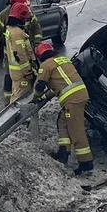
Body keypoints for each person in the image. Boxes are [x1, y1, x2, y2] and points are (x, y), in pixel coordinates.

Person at [33, 41, 94, 173]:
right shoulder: (63, 60)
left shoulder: (45, 65)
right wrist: (47, 96)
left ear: (40, 55)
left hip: (72, 101)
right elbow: (60, 84)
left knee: (76, 129)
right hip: (80, 94)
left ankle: (85, 162)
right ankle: (63, 151)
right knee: (62, 121)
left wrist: (37, 97)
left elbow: (40, 86)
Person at [0, 0, 43, 103]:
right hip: (10, 52)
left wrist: (37, 43)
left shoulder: (27, 12)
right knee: (12, 76)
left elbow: (36, 27)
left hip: (28, 50)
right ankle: (8, 103)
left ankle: (26, 99)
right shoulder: (5, 15)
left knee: (28, 77)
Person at [3, 2, 37, 104]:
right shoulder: (17, 33)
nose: (27, 20)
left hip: (16, 70)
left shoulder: (11, 29)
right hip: (21, 71)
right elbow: (20, 54)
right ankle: (17, 118)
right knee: (20, 97)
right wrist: (28, 71)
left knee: (16, 92)